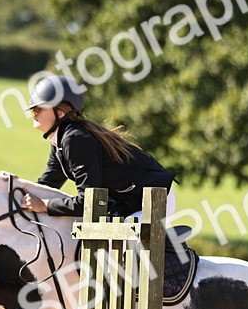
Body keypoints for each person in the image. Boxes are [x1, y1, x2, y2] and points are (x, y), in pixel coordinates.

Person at [17, 76, 177, 219]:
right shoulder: (60, 141)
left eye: (39, 108)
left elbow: (90, 201)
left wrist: (45, 205)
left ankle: (179, 253)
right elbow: (46, 186)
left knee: (119, 238)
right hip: (129, 201)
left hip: (156, 197)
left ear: (60, 112)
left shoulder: (75, 139)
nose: (34, 112)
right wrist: (15, 191)